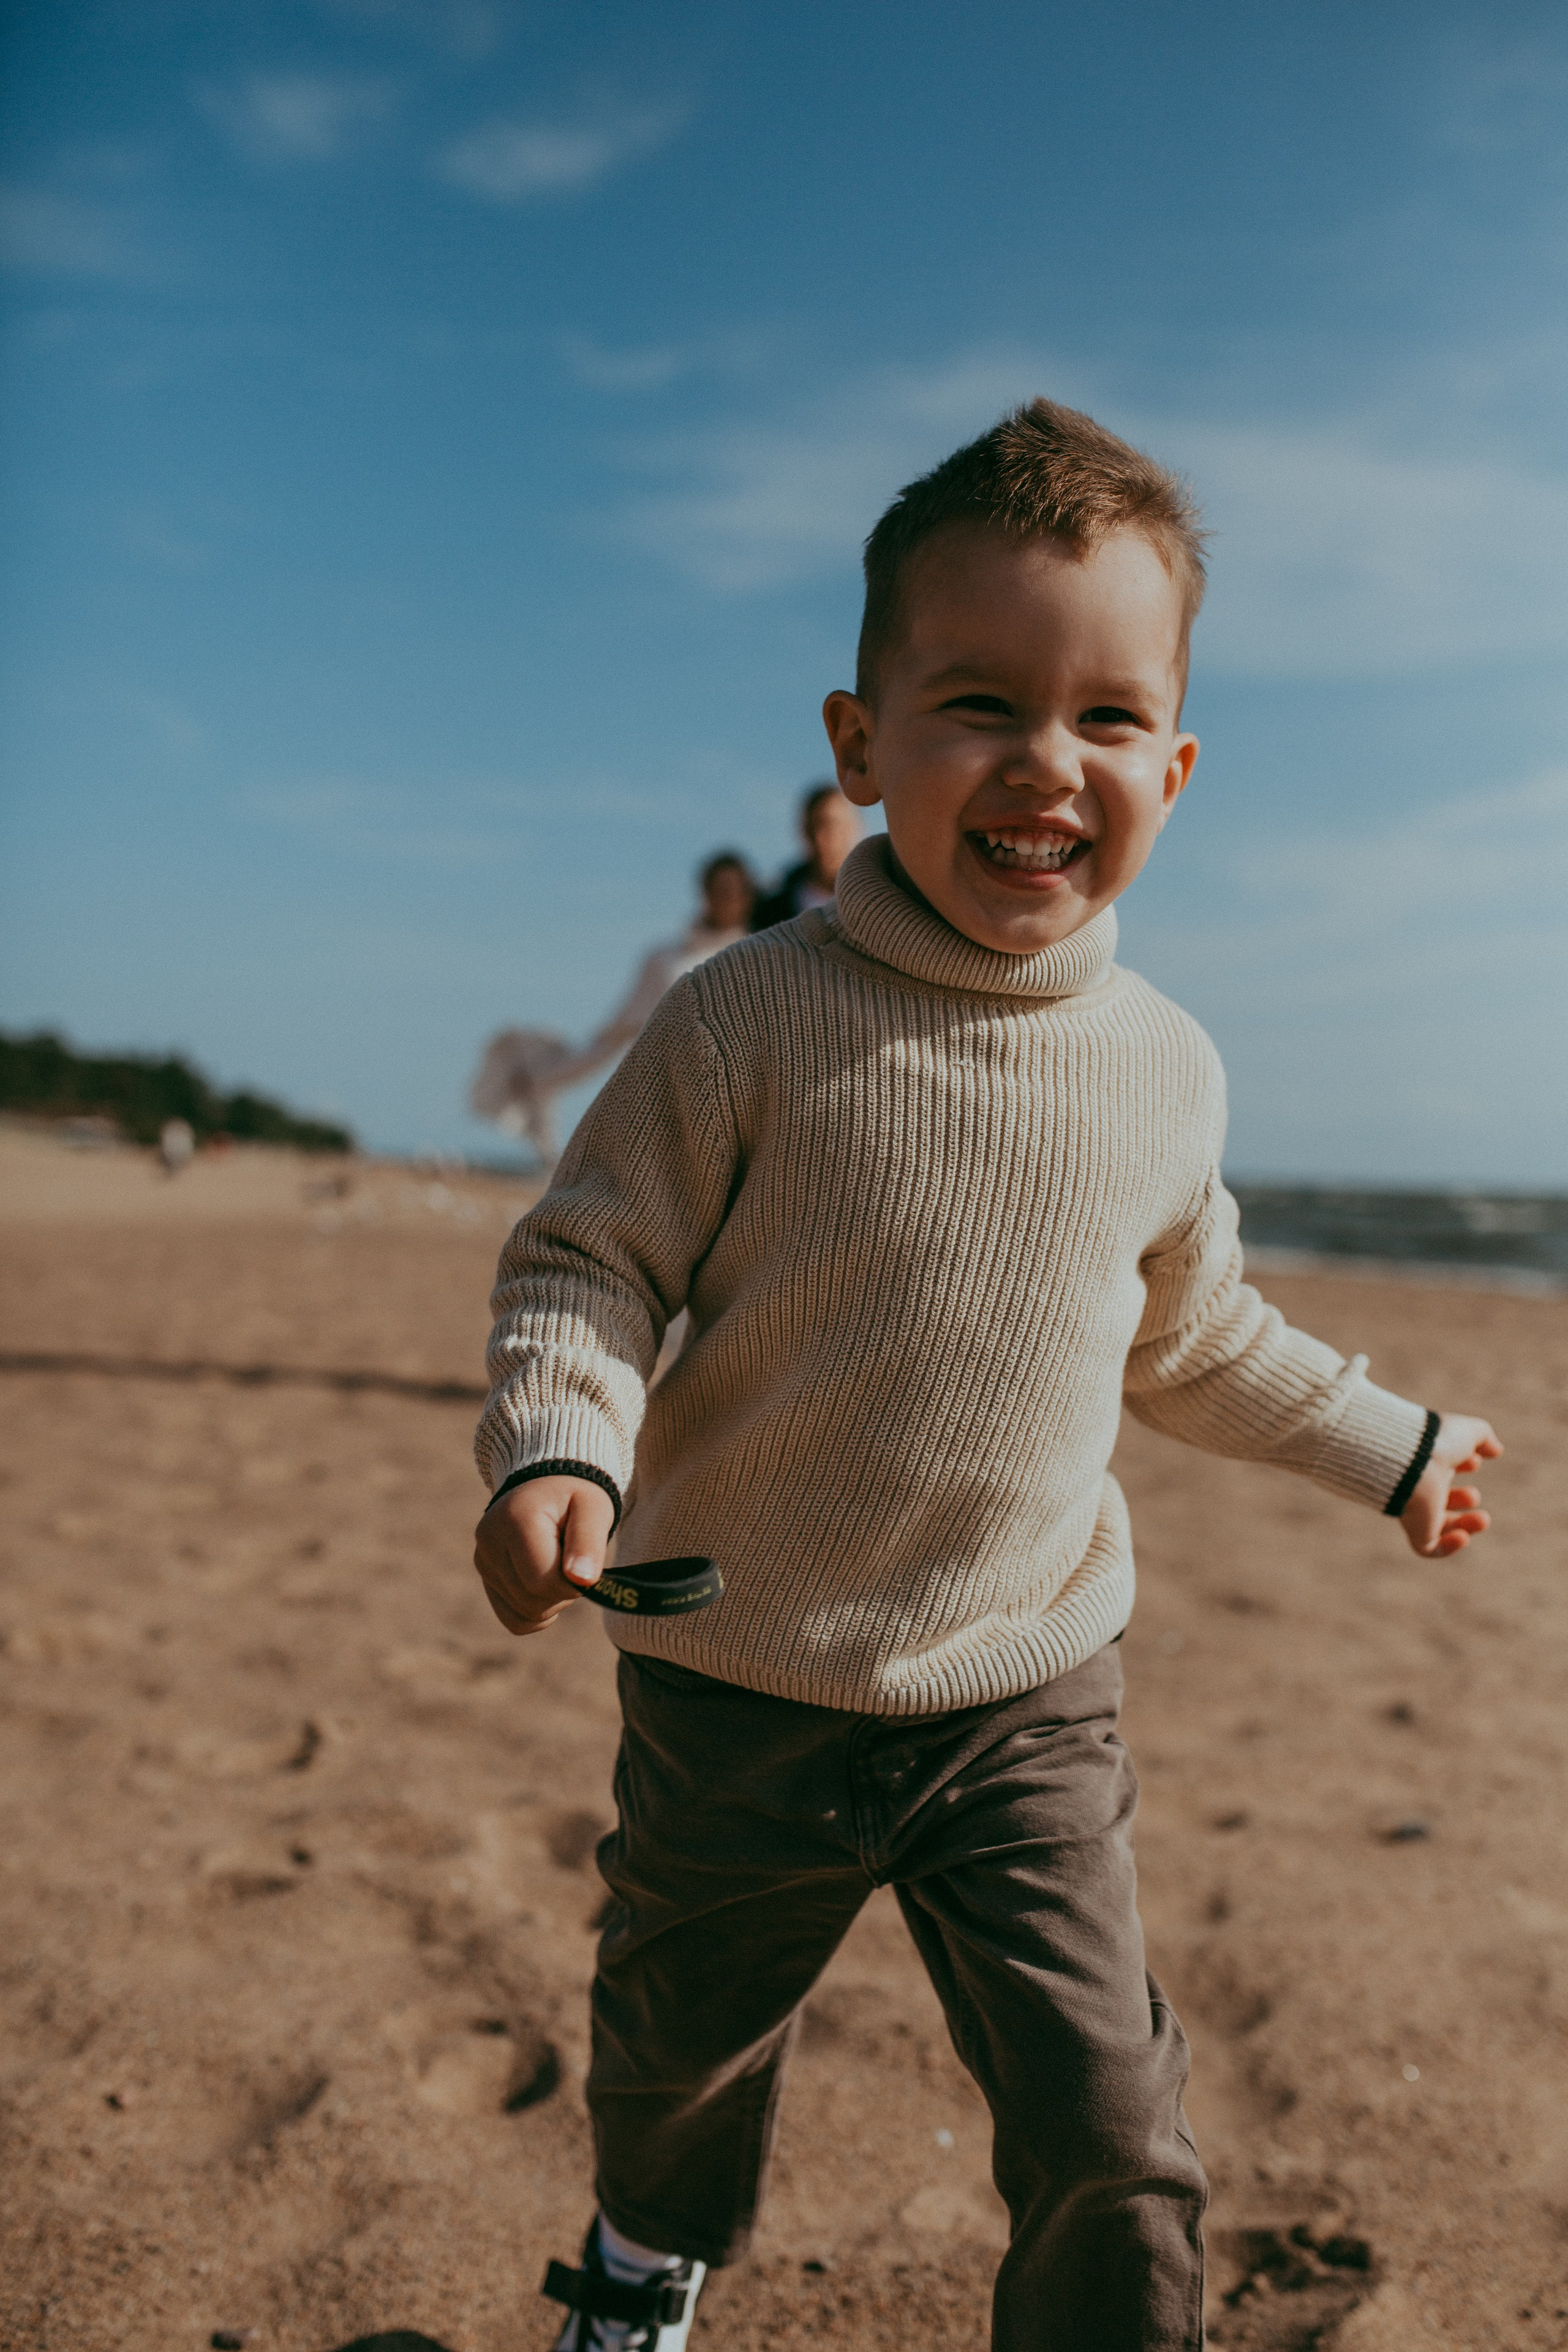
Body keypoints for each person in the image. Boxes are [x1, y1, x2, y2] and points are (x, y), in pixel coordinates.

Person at [472, 401, 1502, 2352]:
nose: (1047, 761)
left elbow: (1194, 1335)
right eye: (978, 705)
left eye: (1108, 716)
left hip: (1024, 1687)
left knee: (1110, 2112)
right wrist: (556, 1450)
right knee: (677, 2049)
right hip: (737, 1673)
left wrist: (1396, 1444)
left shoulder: (1165, 1066)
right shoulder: (748, 1017)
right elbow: (590, 1257)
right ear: (859, 747)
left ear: (1173, 770)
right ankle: (641, 2262)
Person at [469, 851, 755, 1167]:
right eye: (720, 889)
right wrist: (542, 1077)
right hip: (671, 1106)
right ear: (704, 893)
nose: (728, 899)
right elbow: (614, 1037)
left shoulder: (760, 962)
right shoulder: (665, 961)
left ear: (748, 898)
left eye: (736, 891)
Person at [749, 782, 861, 927]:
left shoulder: (876, 899)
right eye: (812, 827)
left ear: (852, 828)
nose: (819, 837)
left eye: (830, 825)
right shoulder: (770, 912)